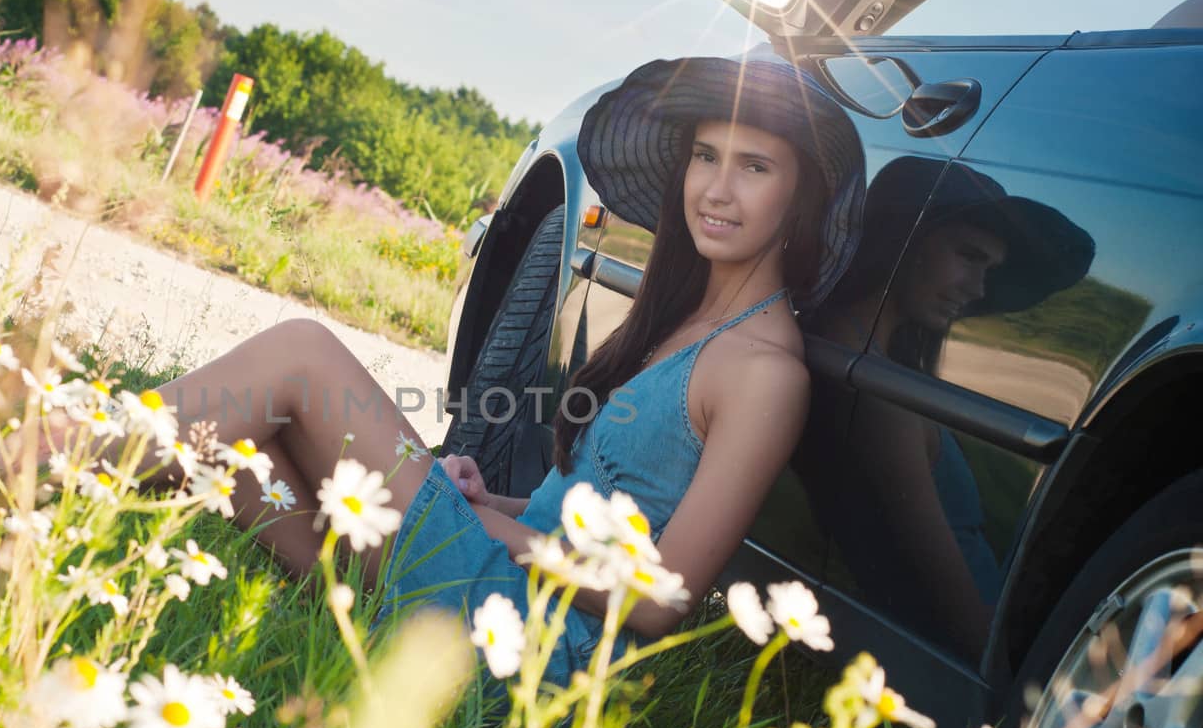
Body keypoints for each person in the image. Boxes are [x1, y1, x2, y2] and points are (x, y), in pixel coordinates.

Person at [112, 56, 866, 684]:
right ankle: (335, 610)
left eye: (754, 167)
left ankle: (36, 460)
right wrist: (495, 500)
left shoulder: (766, 372)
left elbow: (658, 598)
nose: (716, 188)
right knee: (243, 452)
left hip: (537, 646)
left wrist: (486, 528)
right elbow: (581, 504)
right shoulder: (684, 318)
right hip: (501, 579)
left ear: (798, 196)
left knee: (303, 356)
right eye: (705, 156)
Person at [796, 156, 1093, 661]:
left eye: (990, 270)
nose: (979, 289)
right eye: (970, 255)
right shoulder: (879, 391)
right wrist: (1008, 690)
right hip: (970, 639)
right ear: (907, 237)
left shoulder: (851, 351)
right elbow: (940, 572)